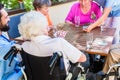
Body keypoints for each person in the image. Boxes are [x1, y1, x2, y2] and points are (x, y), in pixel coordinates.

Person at [18, 11, 86, 80]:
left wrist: (58, 40)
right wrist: (63, 42)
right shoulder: (59, 43)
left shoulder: (24, 46)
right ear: (43, 27)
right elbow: (83, 58)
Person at [0, 3, 22, 80]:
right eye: (6, 17)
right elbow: (10, 48)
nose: (9, 19)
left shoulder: (2, 36)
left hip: (17, 70)